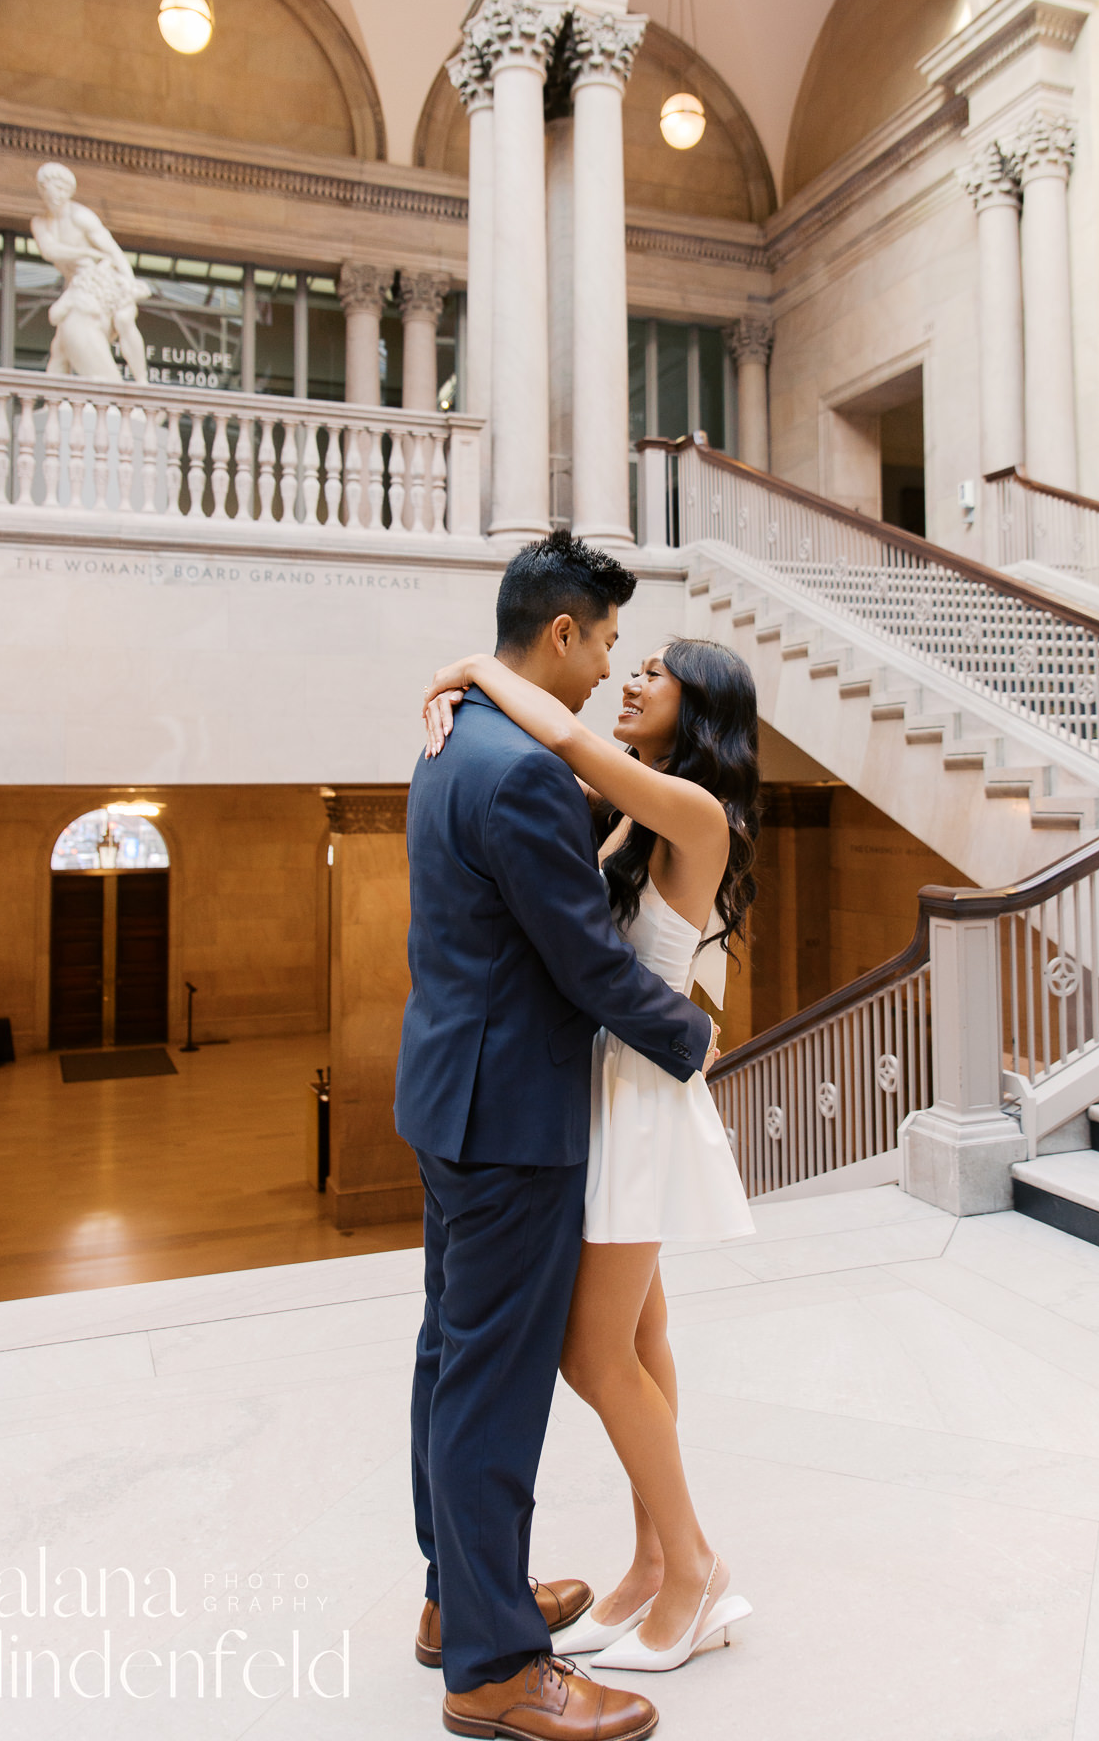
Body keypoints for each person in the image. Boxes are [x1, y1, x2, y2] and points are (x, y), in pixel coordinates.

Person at [396, 533, 720, 1741]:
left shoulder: (448, 742)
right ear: (563, 633)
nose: (607, 671)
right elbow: (583, 960)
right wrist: (692, 1043)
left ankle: (456, 1594)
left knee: (448, 1359)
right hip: (513, 1116)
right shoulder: (524, 769)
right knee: (491, 1383)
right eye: (605, 643)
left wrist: (471, 673)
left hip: (446, 1097)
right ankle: (489, 1662)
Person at [30, 161, 150, 384]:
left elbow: (113, 251)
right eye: (49, 189)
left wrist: (129, 283)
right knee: (61, 343)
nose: (55, 195)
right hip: (78, 283)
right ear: (42, 190)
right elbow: (49, 250)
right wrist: (85, 251)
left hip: (102, 276)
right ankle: (54, 397)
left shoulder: (80, 216)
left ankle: (142, 381)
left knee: (124, 319)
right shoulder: (40, 223)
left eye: (60, 189)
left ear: (68, 191)